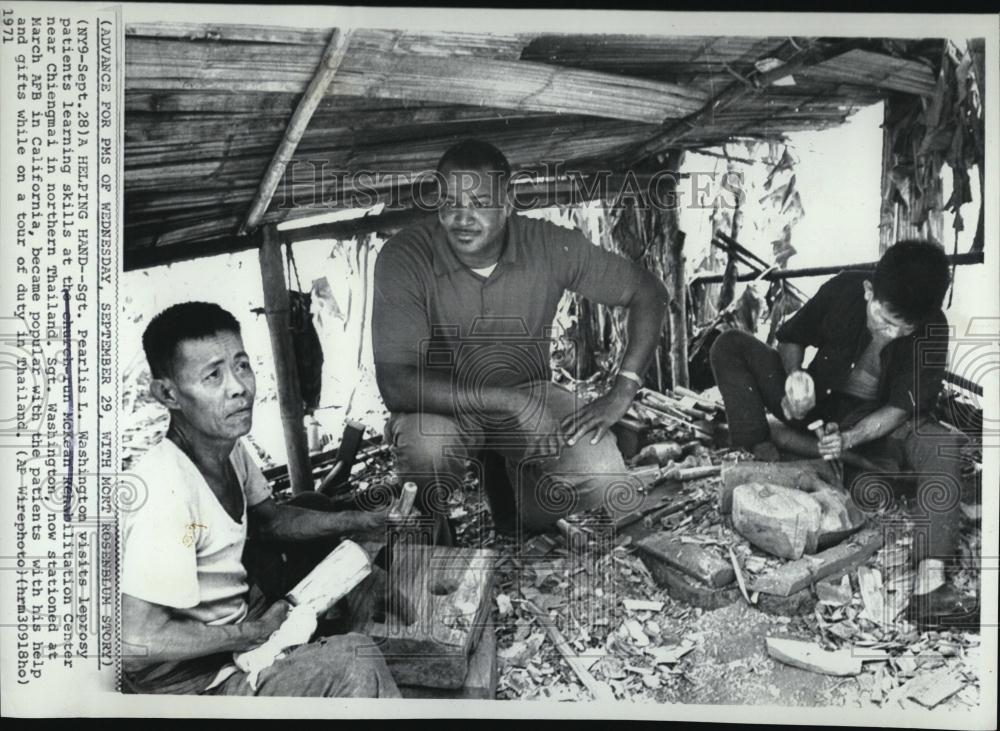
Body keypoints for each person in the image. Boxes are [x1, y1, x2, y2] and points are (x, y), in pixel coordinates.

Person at [372, 139, 668, 541]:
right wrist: (510, 402)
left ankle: (526, 497)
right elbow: (396, 385)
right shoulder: (405, 255)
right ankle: (433, 533)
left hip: (528, 395)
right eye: (450, 202)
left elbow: (648, 293)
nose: (462, 217)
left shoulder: (547, 244)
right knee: (428, 448)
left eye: (479, 202)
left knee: (602, 474)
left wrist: (622, 392)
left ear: (507, 203)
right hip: (442, 408)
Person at [121, 302, 400, 697]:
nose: (238, 387)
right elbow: (134, 643)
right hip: (194, 681)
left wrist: (359, 520)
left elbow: (271, 522)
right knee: (355, 660)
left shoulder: (227, 447)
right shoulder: (166, 493)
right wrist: (254, 632)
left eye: (242, 366)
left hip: (237, 625)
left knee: (316, 509)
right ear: (169, 393)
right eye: (213, 375)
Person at [709, 240, 973, 627]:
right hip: (815, 406)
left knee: (940, 443)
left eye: (905, 327)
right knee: (729, 344)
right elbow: (792, 337)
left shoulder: (932, 328)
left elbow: (901, 408)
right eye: (883, 319)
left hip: (876, 426)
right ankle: (764, 452)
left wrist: (848, 439)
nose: (892, 333)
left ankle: (929, 588)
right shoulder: (845, 288)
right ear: (869, 292)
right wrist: (795, 379)